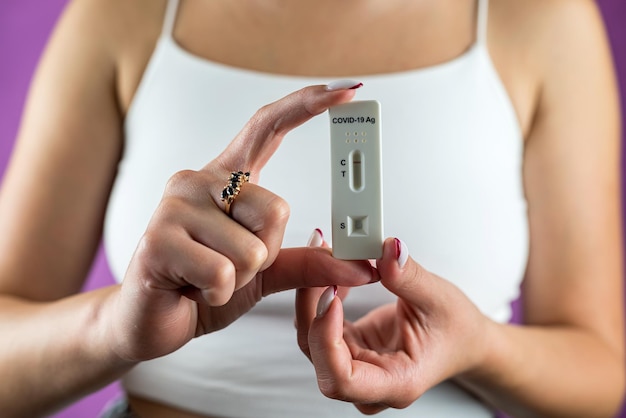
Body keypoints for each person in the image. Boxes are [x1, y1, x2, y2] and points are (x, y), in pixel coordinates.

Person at [0, 0, 623, 417]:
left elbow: (601, 371)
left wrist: (481, 347)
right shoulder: (123, 15)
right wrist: (115, 326)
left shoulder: (541, 19)